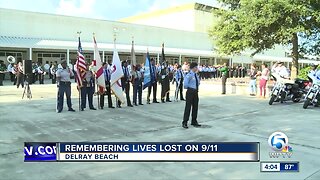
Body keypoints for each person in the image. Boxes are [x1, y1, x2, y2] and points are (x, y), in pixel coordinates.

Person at [182, 62, 201, 129]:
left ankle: (194, 120)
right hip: (190, 92)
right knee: (188, 107)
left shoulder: (196, 75)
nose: (197, 68)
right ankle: (185, 122)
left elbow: (198, 82)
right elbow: (185, 84)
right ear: (194, 68)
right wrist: (190, 88)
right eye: (196, 67)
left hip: (195, 92)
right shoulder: (189, 75)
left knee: (195, 107)